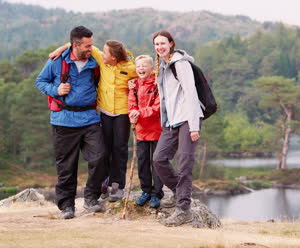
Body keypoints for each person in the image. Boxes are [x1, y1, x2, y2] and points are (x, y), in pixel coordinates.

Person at [50, 40, 137, 202]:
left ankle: (117, 184)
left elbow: (149, 75)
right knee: (104, 148)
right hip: (104, 111)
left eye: (106, 53)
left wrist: (136, 83)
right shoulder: (102, 61)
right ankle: (103, 182)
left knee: (119, 148)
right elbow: (79, 45)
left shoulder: (130, 68)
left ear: (114, 57)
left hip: (123, 113)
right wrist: (59, 48)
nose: (101, 54)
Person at [35, 26, 107, 219]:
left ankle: (91, 198)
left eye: (91, 45)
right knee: (66, 166)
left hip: (90, 118)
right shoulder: (56, 62)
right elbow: (40, 81)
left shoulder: (95, 61)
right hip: (63, 120)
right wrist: (56, 90)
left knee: (99, 157)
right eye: (87, 45)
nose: (91, 48)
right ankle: (67, 206)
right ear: (76, 45)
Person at [152, 30, 203, 227]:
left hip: (187, 120)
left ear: (171, 43)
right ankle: (180, 193)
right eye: (156, 45)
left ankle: (183, 210)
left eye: (163, 43)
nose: (159, 47)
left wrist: (194, 126)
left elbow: (191, 93)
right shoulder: (163, 66)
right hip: (171, 122)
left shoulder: (180, 64)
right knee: (158, 159)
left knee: (184, 164)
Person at [128, 55, 164, 208]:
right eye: (139, 66)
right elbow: (131, 103)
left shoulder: (157, 84)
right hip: (141, 130)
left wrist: (141, 112)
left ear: (152, 68)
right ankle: (146, 191)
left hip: (156, 129)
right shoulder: (134, 85)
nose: (141, 68)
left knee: (156, 162)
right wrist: (132, 114)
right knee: (142, 162)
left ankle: (157, 193)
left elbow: (158, 107)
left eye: (144, 66)